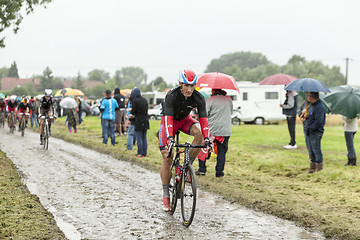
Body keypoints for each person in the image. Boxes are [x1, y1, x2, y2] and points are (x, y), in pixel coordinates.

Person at [158, 69, 210, 211]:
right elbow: (168, 120)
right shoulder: (171, 96)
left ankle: (187, 167)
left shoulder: (198, 98)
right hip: (169, 122)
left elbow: (204, 120)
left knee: (199, 135)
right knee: (168, 158)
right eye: (186, 85)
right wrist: (169, 137)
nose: (189, 89)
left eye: (192, 86)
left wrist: (206, 139)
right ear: (180, 84)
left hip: (184, 120)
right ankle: (165, 196)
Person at [196, 89, 233, 177]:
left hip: (211, 130)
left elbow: (204, 113)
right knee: (222, 152)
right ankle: (219, 172)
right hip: (225, 130)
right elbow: (230, 112)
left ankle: (202, 169)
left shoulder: (210, 100)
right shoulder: (228, 100)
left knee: (203, 148)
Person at [302, 92, 326, 173]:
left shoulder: (319, 107)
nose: (307, 97)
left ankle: (319, 169)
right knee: (310, 150)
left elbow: (319, 121)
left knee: (316, 150)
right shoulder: (310, 105)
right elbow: (301, 114)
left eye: (308, 96)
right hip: (308, 131)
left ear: (312, 97)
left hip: (315, 132)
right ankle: (312, 168)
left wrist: (311, 128)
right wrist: (304, 114)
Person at [129, 87, 149, 157]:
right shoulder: (145, 100)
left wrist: (131, 113)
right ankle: (144, 153)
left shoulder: (135, 101)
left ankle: (140, 153)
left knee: (139, 138)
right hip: (145, 120)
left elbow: (133, 112)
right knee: (144, 137)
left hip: (138, 121)